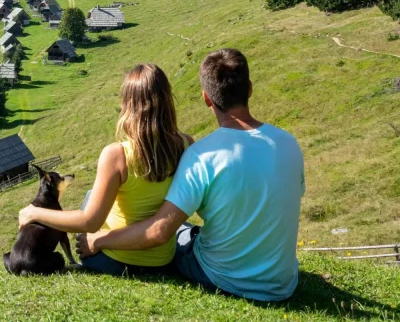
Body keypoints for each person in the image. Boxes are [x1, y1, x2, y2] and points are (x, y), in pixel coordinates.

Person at [76, 49, 305, 301]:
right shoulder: (289, 143)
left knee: (176, 231)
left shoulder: (203, 154)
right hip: (283, 283)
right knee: (183, 228)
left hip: (221, 276)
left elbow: (159, 232)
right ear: (249, 88)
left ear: (206, 98)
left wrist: (97, 241)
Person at [19, 64, 193, 275]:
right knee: (93, 194)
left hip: (115, 262)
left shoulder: (117, 155)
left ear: (128, 106)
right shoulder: (186, 144)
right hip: (163, 261)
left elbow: (89, 222)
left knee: (90, 200)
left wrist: (33, 212)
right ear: (167, 101)